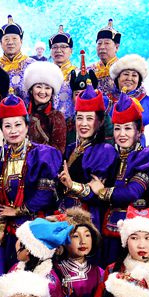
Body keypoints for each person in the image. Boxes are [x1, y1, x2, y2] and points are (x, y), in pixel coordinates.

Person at [0, 94, 62, 280]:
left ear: (27, 126)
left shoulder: (41, 154)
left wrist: (18, 211)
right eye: (7, 126)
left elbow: (45, 194)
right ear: (1, 129)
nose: (13, 131)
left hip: (35, 226)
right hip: (7, 226)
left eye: (18, 125)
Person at [96, 92, 149, 263]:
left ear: (139, 131)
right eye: (117, 128)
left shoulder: (147, 156)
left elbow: (132, 192)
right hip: (109, 230)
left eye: (128, 128)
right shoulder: (111, 156)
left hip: (138, 233)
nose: (122, 134)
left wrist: (102, 192)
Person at [57, 84, 117, 232]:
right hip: (64, 213)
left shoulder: (105, 151)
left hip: (88, 217)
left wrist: (72, 185)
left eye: (89, 118)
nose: (83, 124)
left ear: (100, 122)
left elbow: (96, 194)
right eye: (80, 118)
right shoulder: (72, 148)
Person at [54, 207, 106, 297]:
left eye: (87, 235)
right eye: (75, 236)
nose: (83, 241)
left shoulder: (100, 273)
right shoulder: (56, 272)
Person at [11, 218, 72, 297]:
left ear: (28, 249)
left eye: (19, 240)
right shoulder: (17, 268)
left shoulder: (49, 283)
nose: (16, 244)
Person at [24, 61, 68, 153]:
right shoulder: (23, 113)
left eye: (47, 88)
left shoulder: (56, 117)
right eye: (38, 87)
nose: (43, 92)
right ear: (31, 90)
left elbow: (58, 151)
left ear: (52, 92)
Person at [0, 15, 35, 101]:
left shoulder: (33, 65)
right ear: (1, 43)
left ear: (21, 41)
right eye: (6, 39)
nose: (10, 42)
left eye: (14, 38)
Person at [107, 54, 149, 125]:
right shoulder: (106, 100)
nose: (129, 78)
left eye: (134, 75)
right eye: (126, 74)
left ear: (139, 80)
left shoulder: (148, 102)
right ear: (117, 77)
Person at [48, 25, 76, 120]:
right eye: (54, 47)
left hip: (70, 122)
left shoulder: (78, 74)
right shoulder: (44, 74)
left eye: (63, 47)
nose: (58, 50)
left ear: (71, 50)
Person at [90, 19, 121, 97]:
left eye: (107, 43)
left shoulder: (124, 69)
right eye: (99, 43)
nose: (102, 47)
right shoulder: (89, 70)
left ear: (117, 47)